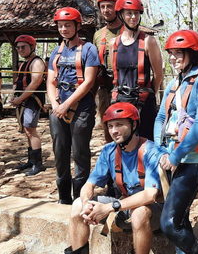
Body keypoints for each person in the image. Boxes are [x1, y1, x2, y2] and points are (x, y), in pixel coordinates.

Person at [67, 102, 162, 254]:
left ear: (134, 124)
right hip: (123, 208)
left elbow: (150, 195)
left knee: (139, 212)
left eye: (119, 125)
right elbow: (89, 185)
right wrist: (86, 203)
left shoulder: (151, 151)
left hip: (154, 212)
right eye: (110, 126)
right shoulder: (109, 150)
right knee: (77, 204)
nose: (114, 131)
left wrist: (107, 208)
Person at [154, 30, 198, 254]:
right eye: (170, 53)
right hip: (171, 157)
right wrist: (160, 150)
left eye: (178, 53)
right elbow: (161, 117)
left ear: (192, 53)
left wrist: (175, 156)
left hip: (191, 159)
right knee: (181, 219)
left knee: (169, 224)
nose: (173, 58)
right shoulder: (174, 83)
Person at [48, 7, 100, 204]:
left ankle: (80, 198)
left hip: (81, 109)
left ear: (77, 26)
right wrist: (55, 103)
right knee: (60, 152)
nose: (63, 29)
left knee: (80, 153)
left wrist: (67, 104)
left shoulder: (88, 50)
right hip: (58, 108)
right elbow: (51, 81)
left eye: (67, 25)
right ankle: (63, 198)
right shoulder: (57, 51)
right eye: (60, 25)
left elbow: (88, 82)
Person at [111, 0, 163, 140]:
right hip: (121, 99)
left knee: (145, 143)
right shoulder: (113, 43)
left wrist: (149, 93)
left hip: (144, 101)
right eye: (129, 13)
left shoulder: (148, 41)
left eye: (136, 13)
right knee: (123, 142)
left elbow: (158, 73)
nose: (133, 17)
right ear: (121, 15)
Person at [11, 35, 46, 176]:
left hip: (32, 100)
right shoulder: (25, 63)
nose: (20, 50)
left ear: (32, 47)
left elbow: (35, 83)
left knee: (31, 130)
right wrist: (16, 97)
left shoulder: (36, 62)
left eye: (23, 47)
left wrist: (20, 99)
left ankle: (38, 164)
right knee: (27, 130)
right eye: (18, 47)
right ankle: (31, 160)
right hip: (25, 100)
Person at [93, 0, 122, 143]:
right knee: (107, 125)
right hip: (105, 86)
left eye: (109, 6)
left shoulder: (128, 31)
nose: (105, 10)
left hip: (125, 86)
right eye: (103, 7)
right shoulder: (98, 35)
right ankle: (111, 159)